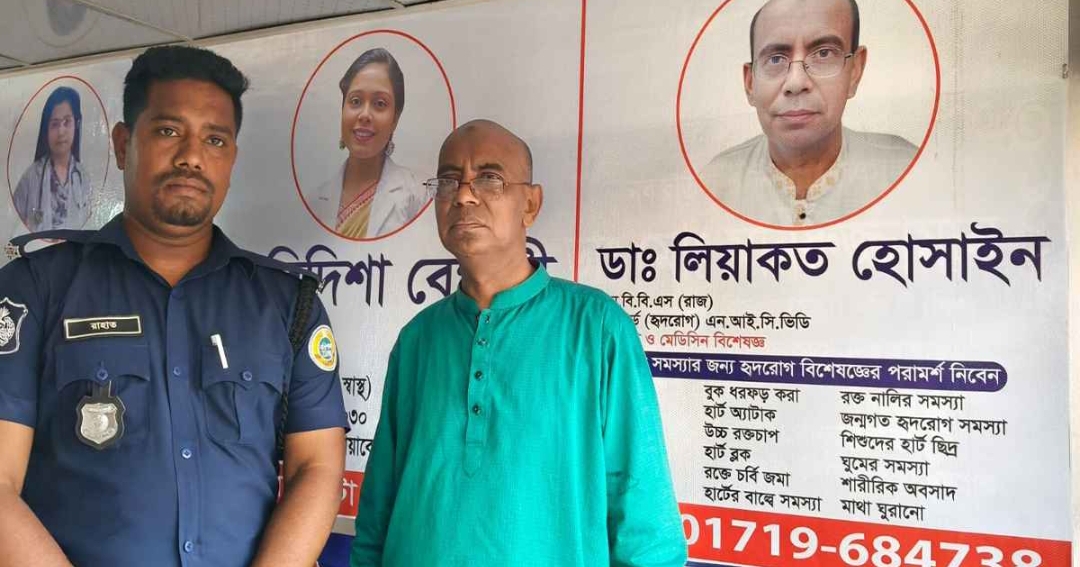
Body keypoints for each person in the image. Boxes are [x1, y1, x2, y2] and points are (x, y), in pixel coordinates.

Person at [0, 45, 348, 567]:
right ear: (123, 144)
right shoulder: (34, 289)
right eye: (168, 131)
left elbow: (315, 469)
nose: (192, 156)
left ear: (231, 159)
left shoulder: (285, 305)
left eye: (215, 139)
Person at [351, 119, 687, 566]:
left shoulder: (596, 328)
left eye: (489, 178)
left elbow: (644, 523)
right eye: (449, 181)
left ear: (530, 204)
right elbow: (377, 512)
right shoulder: (418, 339)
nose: (464, 196)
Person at [701, 0, 917, 226]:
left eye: (823, 54)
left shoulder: (908, 172)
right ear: (750, 83)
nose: (796, 83)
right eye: (775, 59)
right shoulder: (715, 184)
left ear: (855, 71)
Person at [305, 48, 430, 239]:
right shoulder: (314, 202)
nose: (364, 115)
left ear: (395, 119)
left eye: (380, 104)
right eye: (355, 101)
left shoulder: (420, 195)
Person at [13, 86, 92, 231]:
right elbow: (12, 228)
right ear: (46, 130)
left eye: (67, 122)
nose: (61, 131)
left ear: (76, 125)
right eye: (55, 124)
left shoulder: (84, 179)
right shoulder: (30, 178)